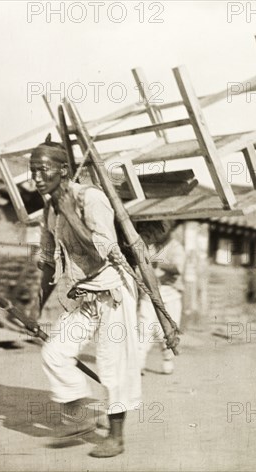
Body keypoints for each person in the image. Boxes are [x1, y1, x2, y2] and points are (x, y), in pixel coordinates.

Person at [32, 135, 141, 458]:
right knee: (54, 353)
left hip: (113, 291)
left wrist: (72, 214)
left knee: (113, 366)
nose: (37, 178)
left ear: (64, 170)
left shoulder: (90, 199)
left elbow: (104, 251)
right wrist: (35, 305)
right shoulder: (49, 211)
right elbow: (49, 259)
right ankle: (82, 416)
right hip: (84, 296)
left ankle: (117, 437)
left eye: (43, 170)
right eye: (32, 171)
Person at [136, 221, 185, 375]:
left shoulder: (175, 246)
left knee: (168, 331)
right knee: (144, 328)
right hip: (149, 294)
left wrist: (159, 264)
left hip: (169, 293)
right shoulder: (150, 246)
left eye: (164, 230)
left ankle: (167, 360)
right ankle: (138, 363)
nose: (160, 233)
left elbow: (178, 268)